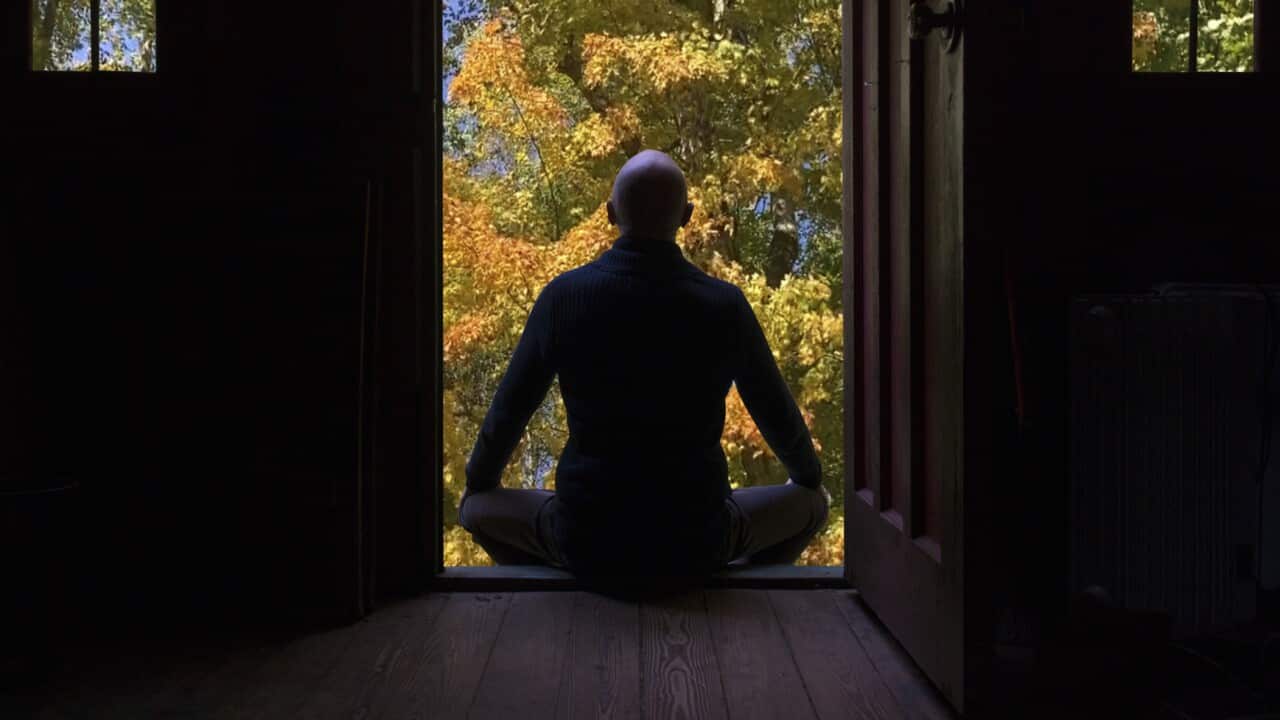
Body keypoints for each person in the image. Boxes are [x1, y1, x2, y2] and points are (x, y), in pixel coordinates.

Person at [458, 149, 830, 591]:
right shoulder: (723, 305)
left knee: (474, 508)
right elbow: (778, 416)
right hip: (698, 539)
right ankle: (731, 591)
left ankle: (561, 595)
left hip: (585, 538)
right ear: (687, 216)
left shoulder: (563, 298)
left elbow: (508, 414)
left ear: (611, 213)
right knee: (814, 504)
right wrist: (807, 478)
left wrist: (479, 482)